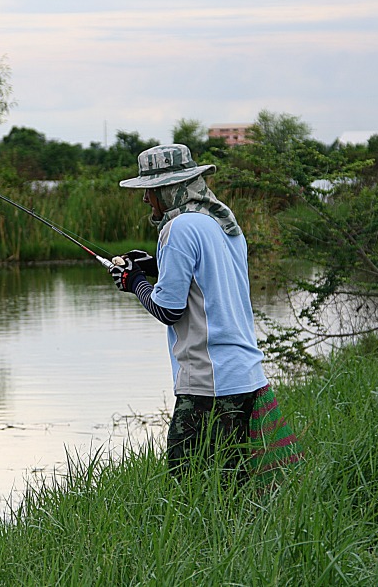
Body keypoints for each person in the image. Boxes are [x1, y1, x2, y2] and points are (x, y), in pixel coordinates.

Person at [109, 143, 282, 481]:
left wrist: (134, 283)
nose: (146, 200)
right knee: (236, 484)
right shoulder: (223, 223)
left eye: (150, 191)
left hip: (207, 383)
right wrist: (154, 265)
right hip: (246, 376)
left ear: (168, 189)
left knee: (187, 484)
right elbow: (206, 278)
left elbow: (169, 309)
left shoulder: (178, 229)